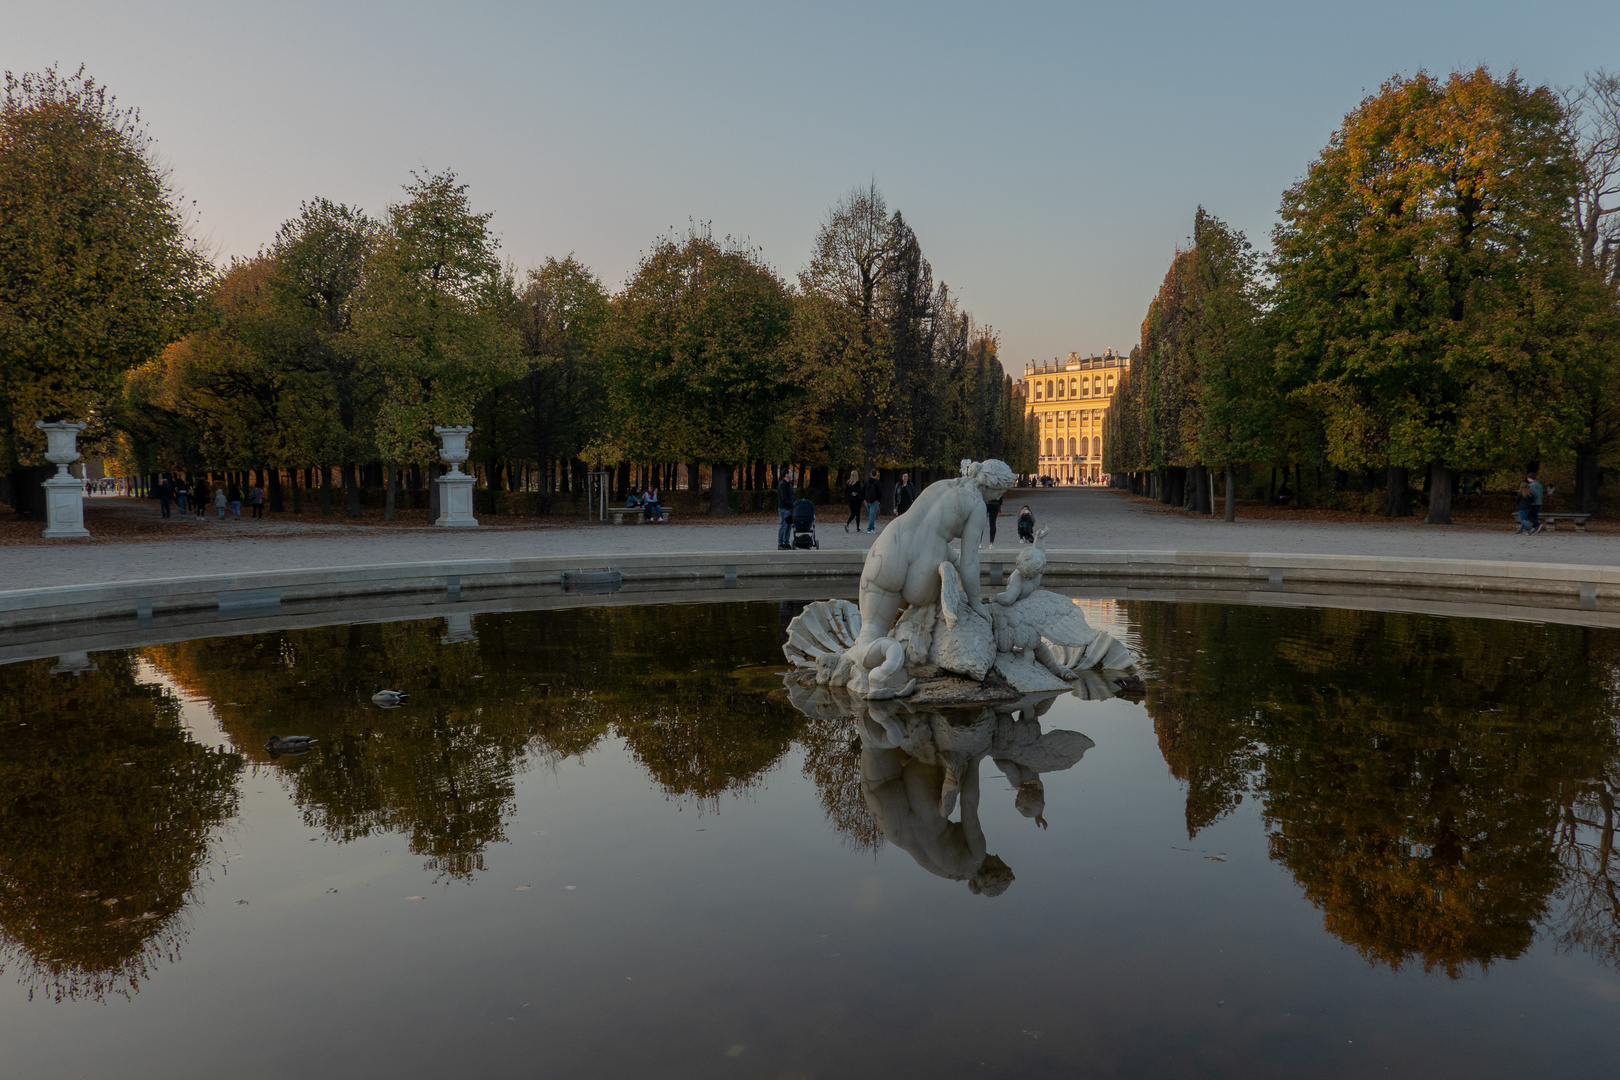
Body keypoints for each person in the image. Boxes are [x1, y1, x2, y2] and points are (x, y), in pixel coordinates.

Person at [776, 468, 797, 549]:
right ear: (786, 474)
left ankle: (786, 542)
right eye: (790, 472)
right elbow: (784, 498)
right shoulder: (782, 485)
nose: (791, 474)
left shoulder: (789, 484)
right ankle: (780, 543)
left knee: (789, 526)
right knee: (783, 526)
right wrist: (792, 505)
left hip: (790, 508)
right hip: (784, 508)